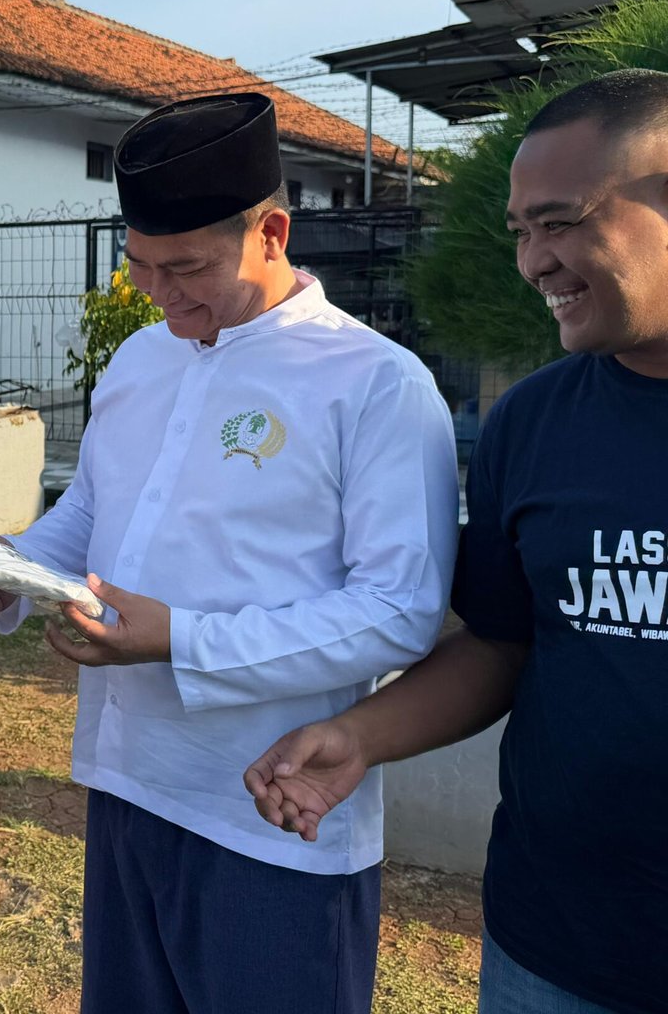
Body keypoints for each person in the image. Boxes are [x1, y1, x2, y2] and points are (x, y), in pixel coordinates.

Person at [0, 93, 460, 1013]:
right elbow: (96, 508)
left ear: (271, 233)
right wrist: (17, 569)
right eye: (141, 266)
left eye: (186, 267)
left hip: (272, 808)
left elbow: (399, 610)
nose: (160, 293)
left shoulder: (376, 385)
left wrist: (181, 639)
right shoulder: (140, 360)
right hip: (128, 780)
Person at [245, 69, 668, 1014]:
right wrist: (359, 737)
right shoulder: (534, 422)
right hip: (554, 950)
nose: (533, 263)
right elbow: (502, 643)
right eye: (521, 231)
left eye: (560, 222)